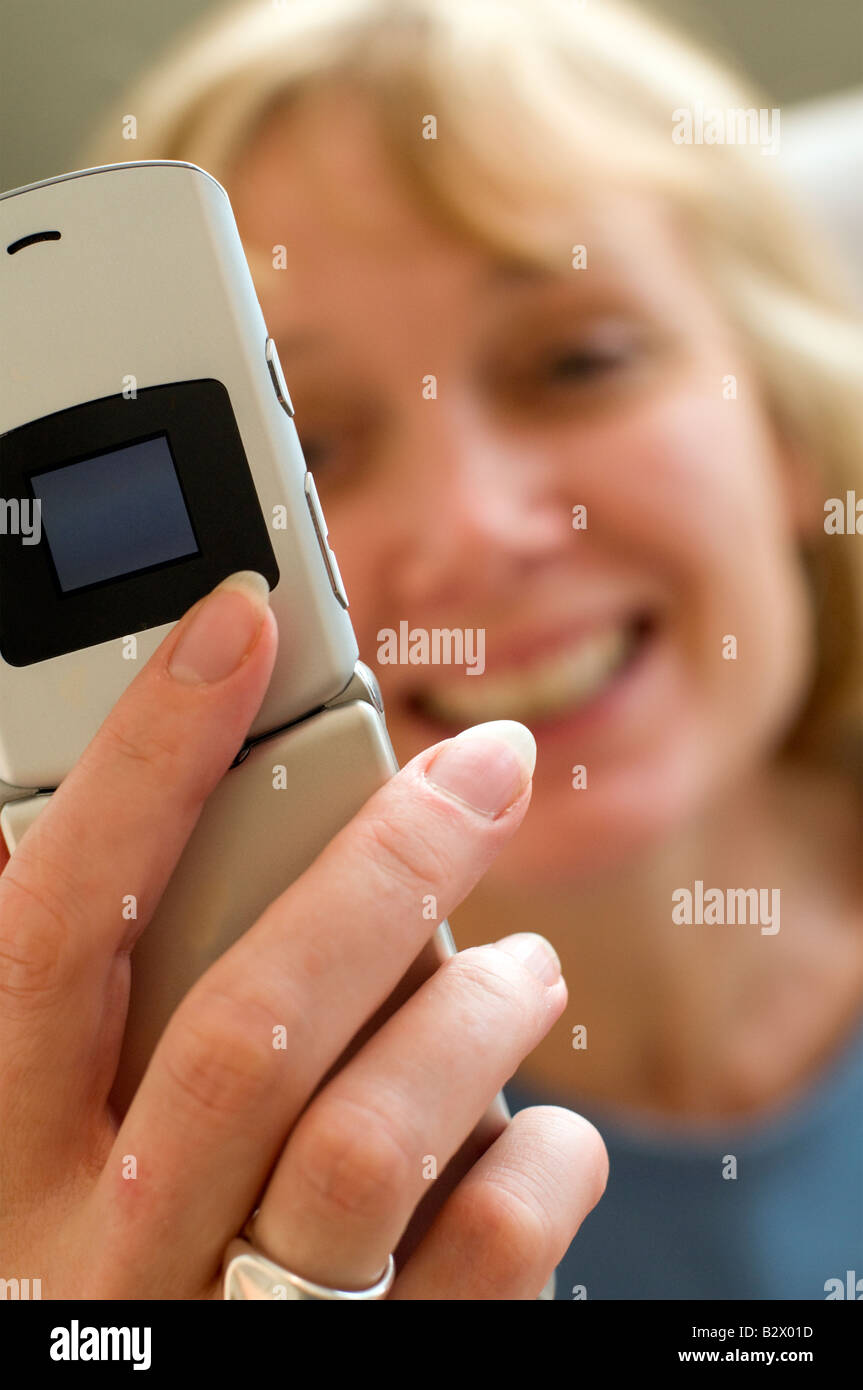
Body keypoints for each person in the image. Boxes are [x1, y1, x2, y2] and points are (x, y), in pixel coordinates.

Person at [5, 0, 862, 1299]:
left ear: (791, 429)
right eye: (317, 447)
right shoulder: (137, 1206)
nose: (474, 530)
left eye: (578, 360)